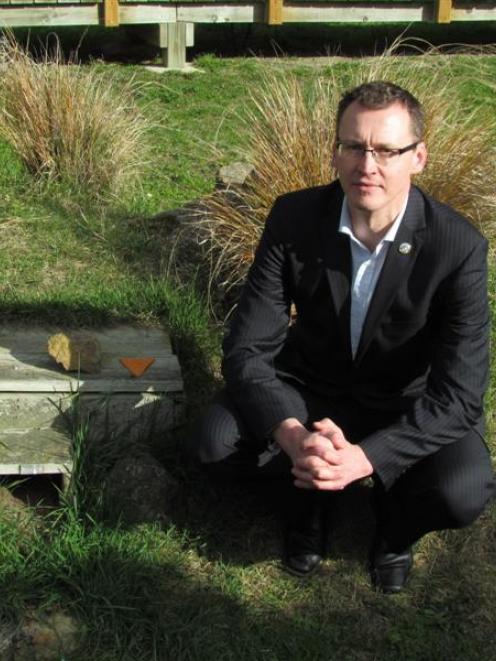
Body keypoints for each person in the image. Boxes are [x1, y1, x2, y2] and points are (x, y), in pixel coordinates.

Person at [191, 81, 495, 593]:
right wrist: (291, 434)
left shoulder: (457, 246)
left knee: (463, 491)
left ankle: (393, 530)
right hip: (310, 386)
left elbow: (461, 397)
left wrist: (368, 457)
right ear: (335, 153)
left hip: (400, 400)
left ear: (418, 157)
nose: (367, 165)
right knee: (214, 444)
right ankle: (304, 507)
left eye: (387, 150)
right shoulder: (294, 217)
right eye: (353, 146)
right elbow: (247, 348)